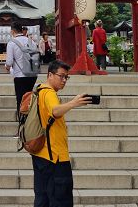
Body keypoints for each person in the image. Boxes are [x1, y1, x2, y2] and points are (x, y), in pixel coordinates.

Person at [32, 60, 91, 207]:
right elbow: (55, 111)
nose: (64, 80)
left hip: (41, 154)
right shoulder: (49, 93)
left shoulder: (39, 90)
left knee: (42, 198)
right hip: (55, 157)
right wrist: (74, 103)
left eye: (67, 77)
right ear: (50, 75)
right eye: (61, 76)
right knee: (61, 199)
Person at [6, 22, 37, 123]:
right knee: (29, 98)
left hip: (20, 75)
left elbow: (9, 62)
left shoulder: (12, 43)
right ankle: (30, 122)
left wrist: (7, 68)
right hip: (32, 74)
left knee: (21, 100)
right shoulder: (30, 41)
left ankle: (22, 125)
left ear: (13, 31)